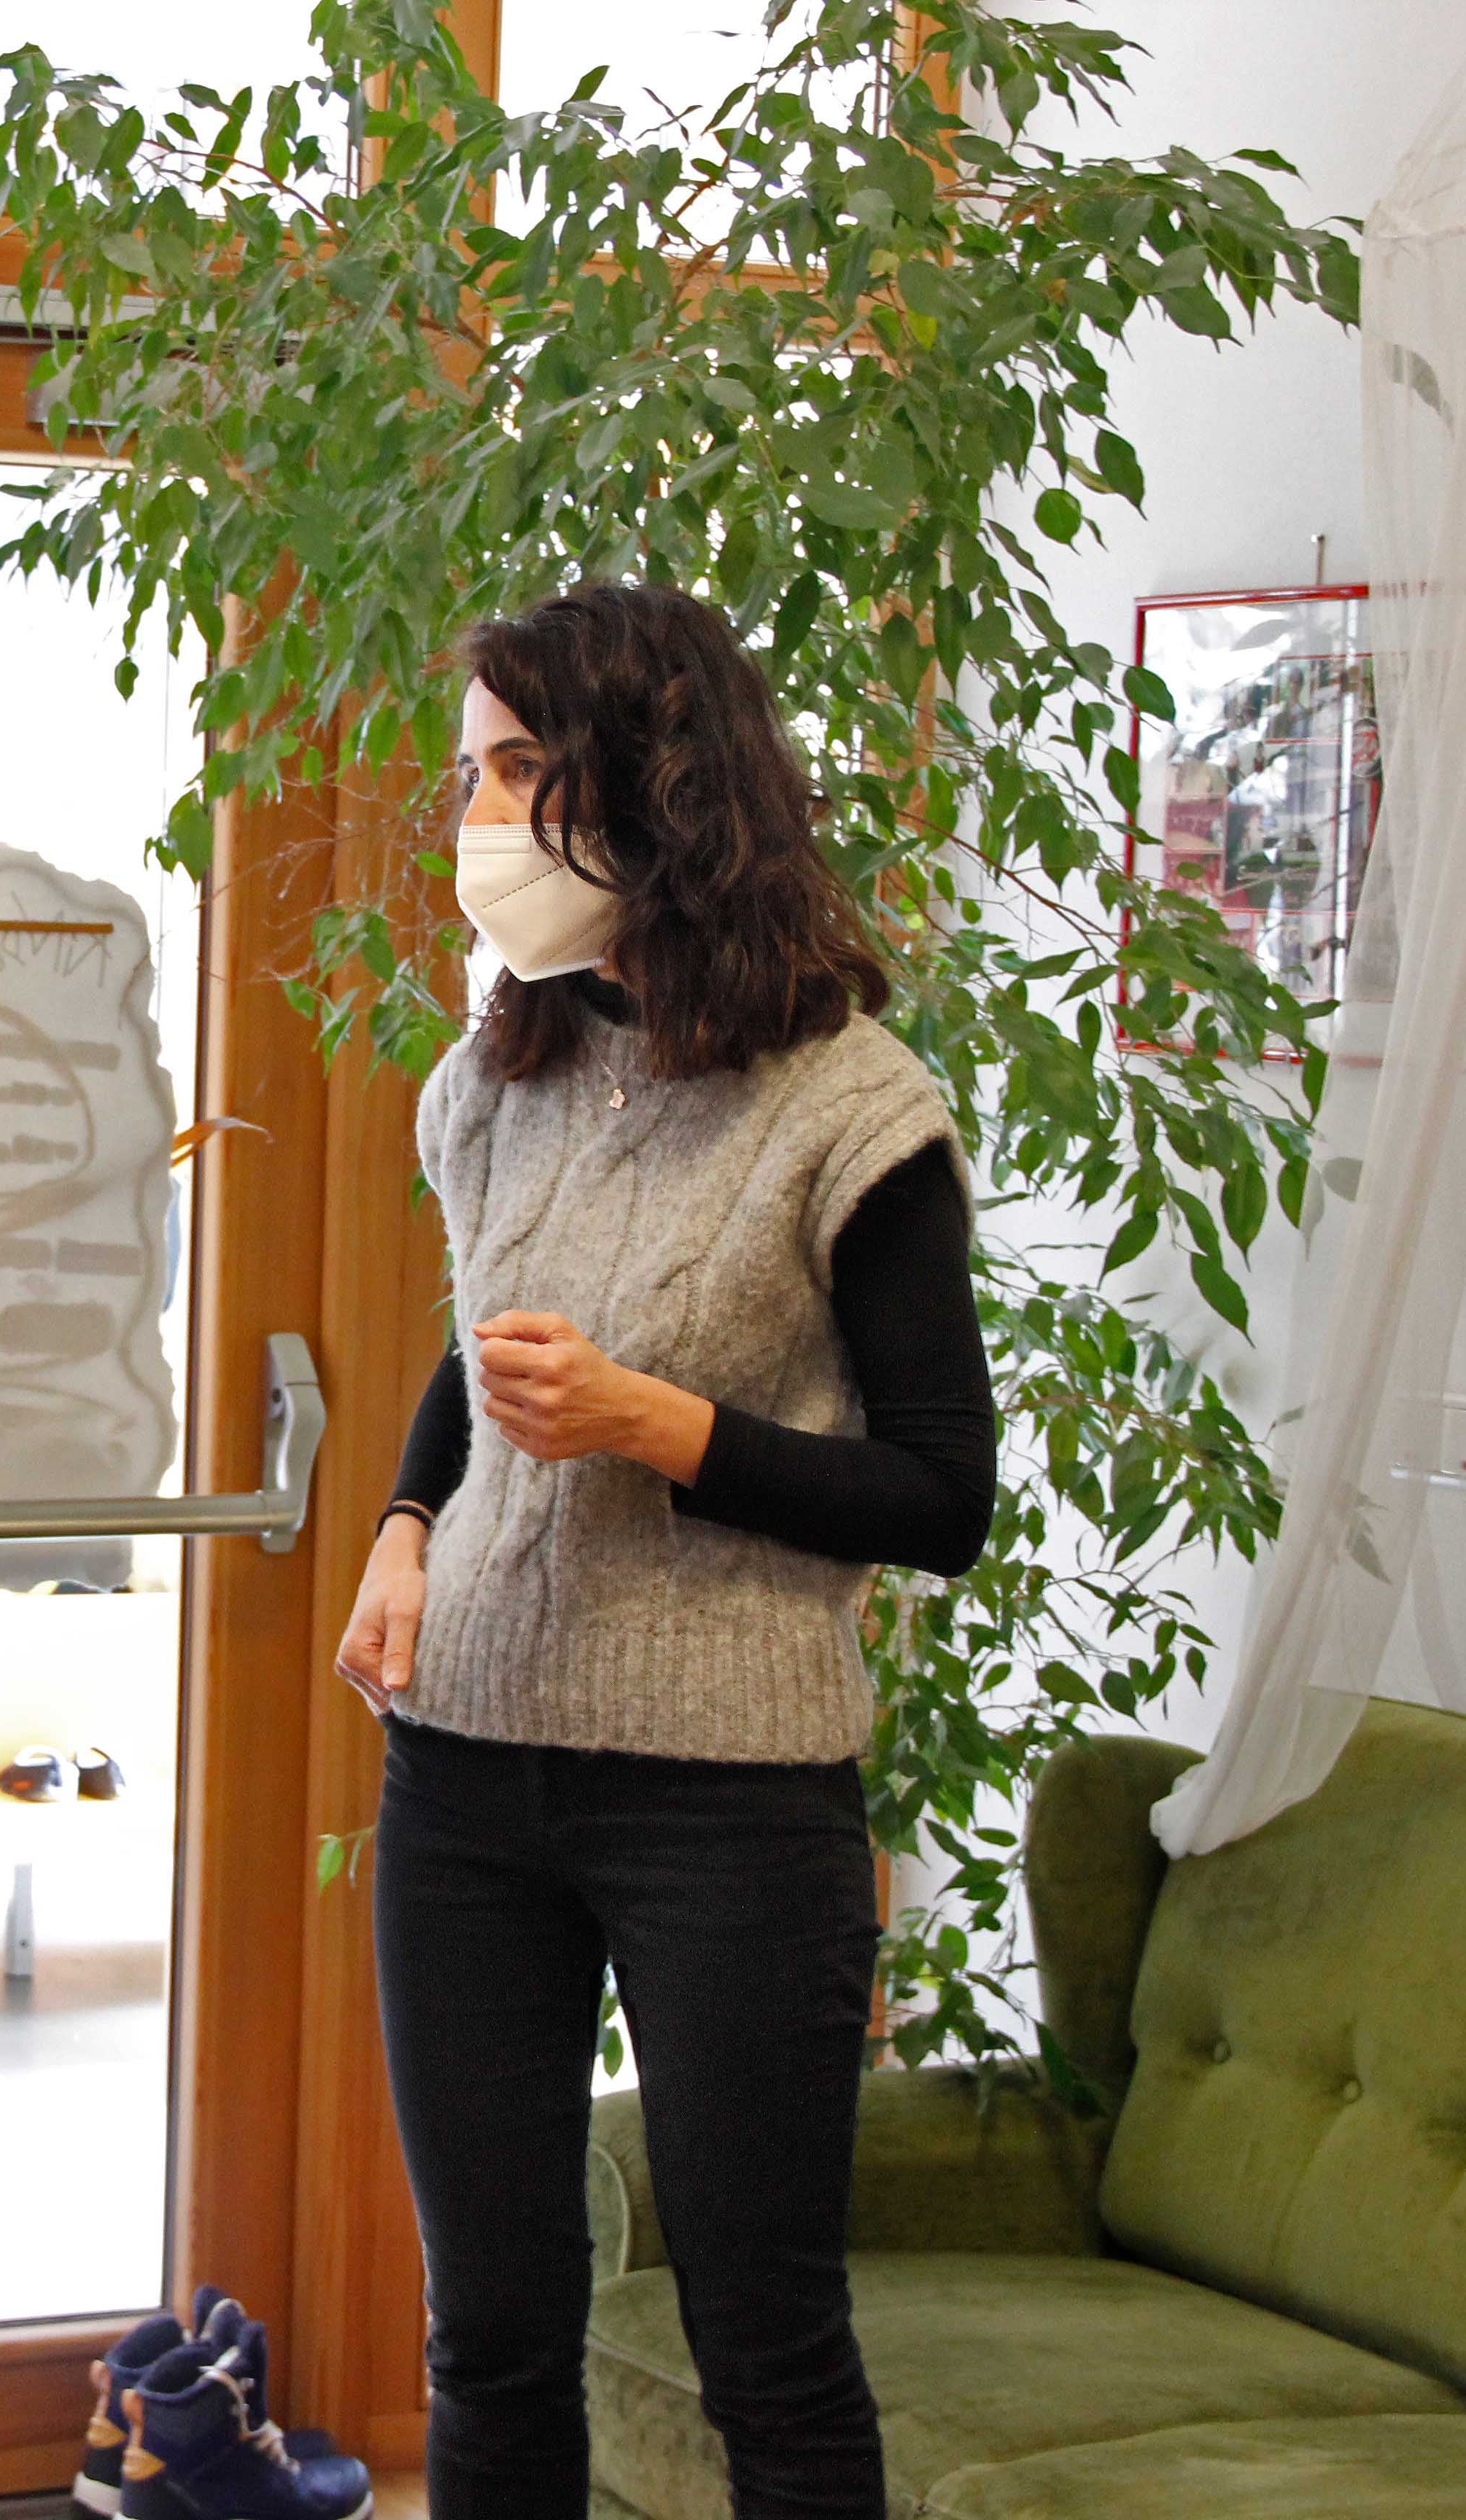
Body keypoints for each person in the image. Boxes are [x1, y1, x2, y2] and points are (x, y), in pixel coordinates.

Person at [335, 583, 998, 2520]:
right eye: (472, 773)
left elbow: (943, 1498)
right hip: (464, 1772)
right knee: (490, 2337)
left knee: (766, 2355)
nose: (478, 817)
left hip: (732, 1806)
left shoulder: (853, 1108)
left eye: (520, 770)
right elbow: (481, 1359)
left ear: (658, 783)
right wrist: (400, 1527)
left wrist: (659, 1429)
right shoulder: (497, 1079)